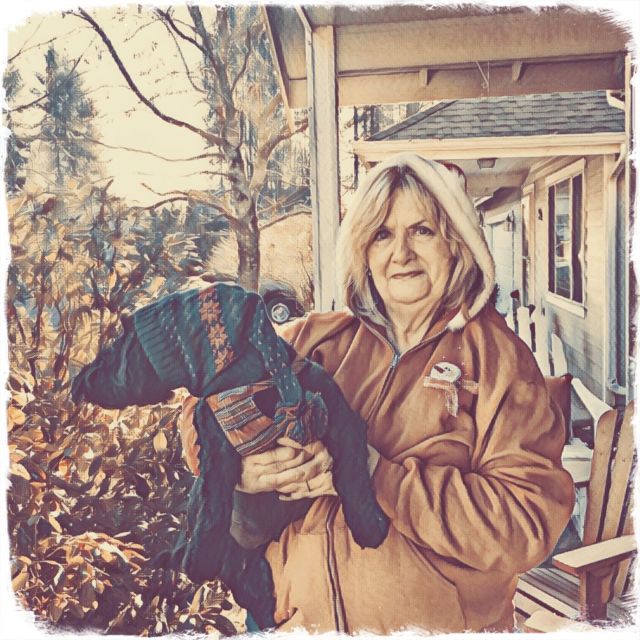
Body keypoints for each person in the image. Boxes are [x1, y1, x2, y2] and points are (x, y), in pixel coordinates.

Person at [182, 152, 574, 633]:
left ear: (457, 243)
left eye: (422, 231)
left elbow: (524, 523)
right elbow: (204, 404)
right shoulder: (318, 340)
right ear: (363, 250)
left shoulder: (500, 363)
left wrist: (369, 474)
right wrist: (240, 469)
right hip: (294, 620)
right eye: (382, 234)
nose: (401, 253)